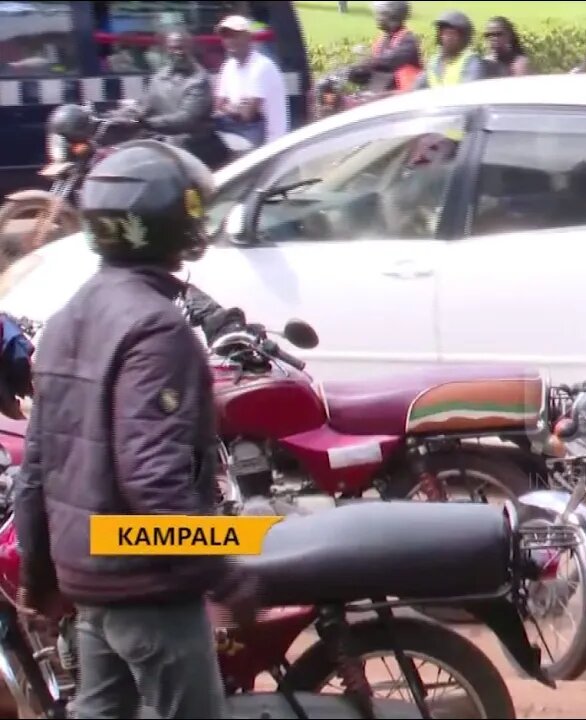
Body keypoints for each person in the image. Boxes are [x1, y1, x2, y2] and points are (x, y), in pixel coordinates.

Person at [12, 139, 260, 719]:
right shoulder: (156, 329)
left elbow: (36, 469)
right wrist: (226, 575)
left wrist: (39, 577)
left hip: (91, 576)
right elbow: (155, 486)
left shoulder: (69, 316)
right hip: (146, 585)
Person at [121, 29, 228, 170]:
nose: (178, 52)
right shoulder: (159, 77)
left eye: (182, 47)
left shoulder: (199, 79)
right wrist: (125, 115)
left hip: (193, 145)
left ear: (191, 48)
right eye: (173, 48)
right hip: (162, 142)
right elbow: (145, 105)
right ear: (166, 49)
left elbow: (186, 119)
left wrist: (147, 123)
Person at [214, 14, 289, 147]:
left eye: (235, 35)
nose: (229, 40)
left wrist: (232, 108)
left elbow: (246, 115)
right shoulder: (228, 66)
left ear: (248, 37)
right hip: (244, 140)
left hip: (271, 143)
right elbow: (219, 105)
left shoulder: (261, 66)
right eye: (225, 36)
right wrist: (236, 108)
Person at [348, 0, 422, 93]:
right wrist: (356, 72)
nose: (377, 17)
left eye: (381, 14)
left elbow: (389, 61)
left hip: (406, 98)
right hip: (383, 97)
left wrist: (367, 60)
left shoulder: (408, 40)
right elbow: (376, 71)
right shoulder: (382, 40)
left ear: (393, 16)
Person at [414, 10, 486, 89]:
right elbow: (418, 87)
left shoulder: (471, 61)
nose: (447, 37)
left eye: (452, 33)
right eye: (444, 33)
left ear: (464, 38)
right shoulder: (434, 61)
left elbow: (468, 92)